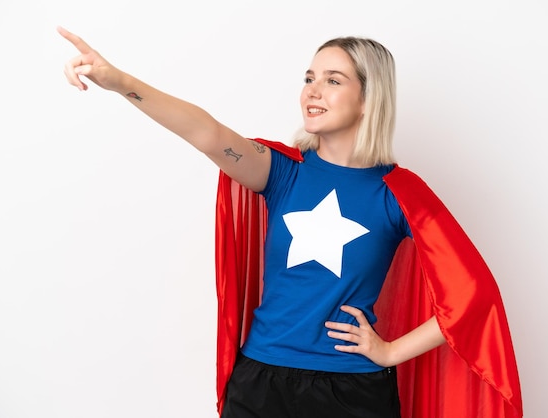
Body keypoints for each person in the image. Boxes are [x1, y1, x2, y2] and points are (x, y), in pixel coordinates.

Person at [58, 27, 523, 418]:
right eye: (309, 77)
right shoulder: (283, 172)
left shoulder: (399, 193)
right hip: (261, 382)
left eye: (333, 80)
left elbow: (473, 293)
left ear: (368, 99)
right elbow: (206, 131)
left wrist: (390, 351)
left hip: (352, 393)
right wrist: (120, 82)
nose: (312, 91)